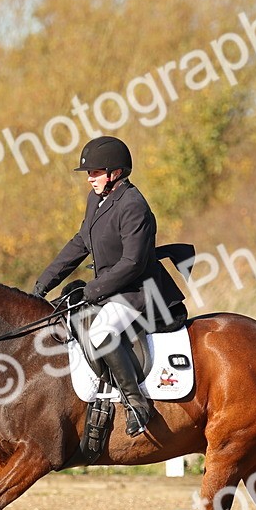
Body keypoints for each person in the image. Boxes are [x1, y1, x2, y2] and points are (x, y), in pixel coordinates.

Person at [32, 136, 185, 437]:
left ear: (115, 173)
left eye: (95, 172)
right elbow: (80, 243)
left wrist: (92, 290)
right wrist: (41, 285)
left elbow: (132, 264)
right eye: (89, 173)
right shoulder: (97, 200)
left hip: (139, 292)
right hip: (113, 288)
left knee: (101, 330)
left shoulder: (133, 206)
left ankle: (137, 404)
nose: (90, 178)